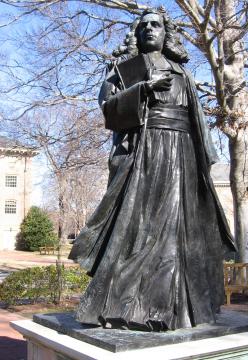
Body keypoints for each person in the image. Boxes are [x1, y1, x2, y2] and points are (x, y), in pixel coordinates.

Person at [69, 7, 236, 332]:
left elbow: (196, 120)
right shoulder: (124, 69)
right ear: (137, 33)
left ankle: (182, 310)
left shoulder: (182, 73)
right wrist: (143, 88)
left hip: (183, 157)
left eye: (155, 24)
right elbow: (108, 109)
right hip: (146, 155)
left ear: (165, 32)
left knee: (180, 232)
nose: (149, 28)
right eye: (143, 25)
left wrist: (202, 163)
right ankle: (126, 305)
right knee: (141, 230)